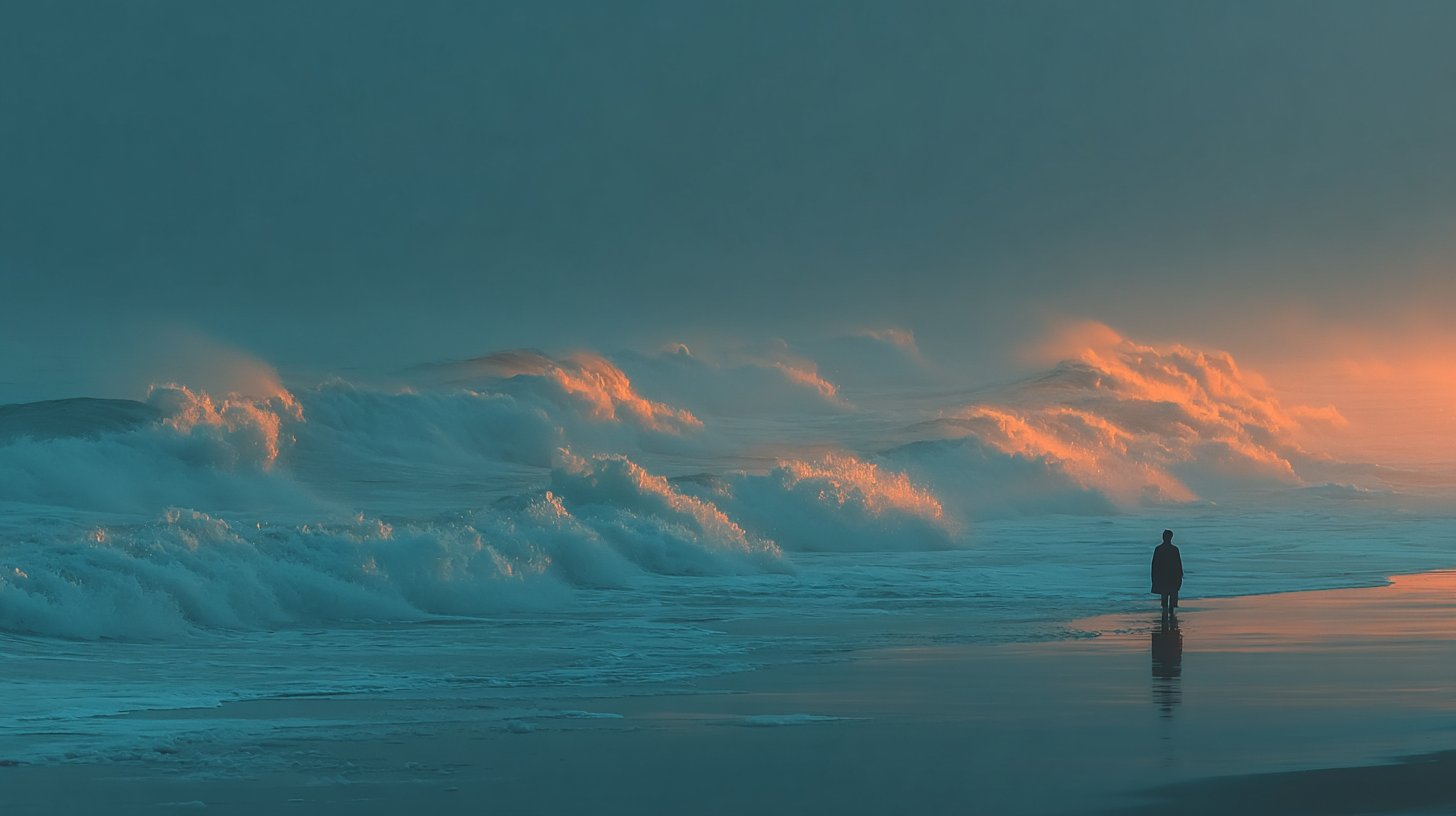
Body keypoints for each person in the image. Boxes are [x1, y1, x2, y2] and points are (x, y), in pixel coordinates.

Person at [1151, 529, 1183, 613]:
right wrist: (1180, 576)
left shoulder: (1159, 549)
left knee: (1164, 598)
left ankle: (1165, 617)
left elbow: (1154, 565)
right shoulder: (1174, 549)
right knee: (1172, 598)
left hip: (1163, 576)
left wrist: (1154, 578)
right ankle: (1171, 616)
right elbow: (1179, 565)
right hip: (1172, 576)